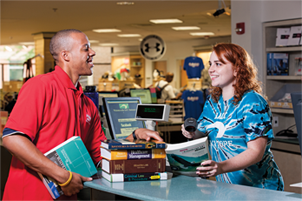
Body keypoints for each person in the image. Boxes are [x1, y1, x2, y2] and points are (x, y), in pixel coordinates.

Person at [2, 29, 161, 200]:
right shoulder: (40, 86)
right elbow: (13, 139)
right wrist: (63, 176)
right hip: (30, 195)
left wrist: (134, 138)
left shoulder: (87, 104)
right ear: (66, 55)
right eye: (86, 48)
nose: (92, 52)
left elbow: (100, 154)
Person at [181, 43, 284, 191]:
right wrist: (191, 132)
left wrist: (221, 167)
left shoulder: (252, 102)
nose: (211, 70)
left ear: (237, 69)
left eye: (218, 64)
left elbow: (256, 152)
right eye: (210, 64)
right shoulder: (212, 102)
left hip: (259, 189)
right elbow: (202, 132)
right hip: (227, 187)